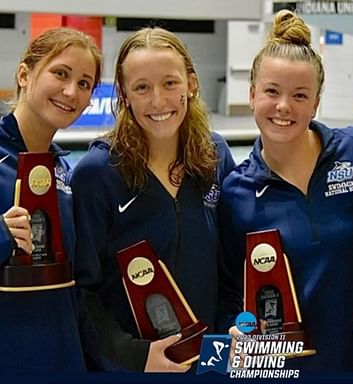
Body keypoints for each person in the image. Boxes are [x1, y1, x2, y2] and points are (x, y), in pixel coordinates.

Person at [218, 10, 353, 372]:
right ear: (251, 95)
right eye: (271, 91)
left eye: (300, 95)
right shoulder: (236, 193)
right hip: (288, 369)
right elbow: (232, 293)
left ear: (315, 103)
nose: (284, 106)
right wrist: (238, 333)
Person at [71, 27, 237, 372]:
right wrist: (133, 355)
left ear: (191, 84)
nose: (158, 101)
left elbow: (231, 270)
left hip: (209, 363)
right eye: (142, 87)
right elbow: (82, 292)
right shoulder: (97, 174)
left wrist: (231, 331)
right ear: (124, 94)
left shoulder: (214, 156)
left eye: (170, 83)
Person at [0, 27, 101, 372]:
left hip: (62, 357)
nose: (71, 91)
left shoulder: (64, 173)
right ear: (25, 74)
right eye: (60, 73)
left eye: (85, 83)